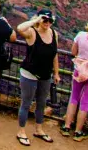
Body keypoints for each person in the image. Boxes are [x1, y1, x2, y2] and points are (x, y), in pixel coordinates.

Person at [15, 9, 61, 146]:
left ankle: (39, 129)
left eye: (49, 20)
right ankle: (21, 131)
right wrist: (36, 20)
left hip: (46, 75)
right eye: (44, 20)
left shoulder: (54, 34)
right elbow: (19, 28)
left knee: (41, 103)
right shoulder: (32, 33)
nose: (47, 23)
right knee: (26, 103)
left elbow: (55, 55)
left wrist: (57, 73)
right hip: (29, 73)